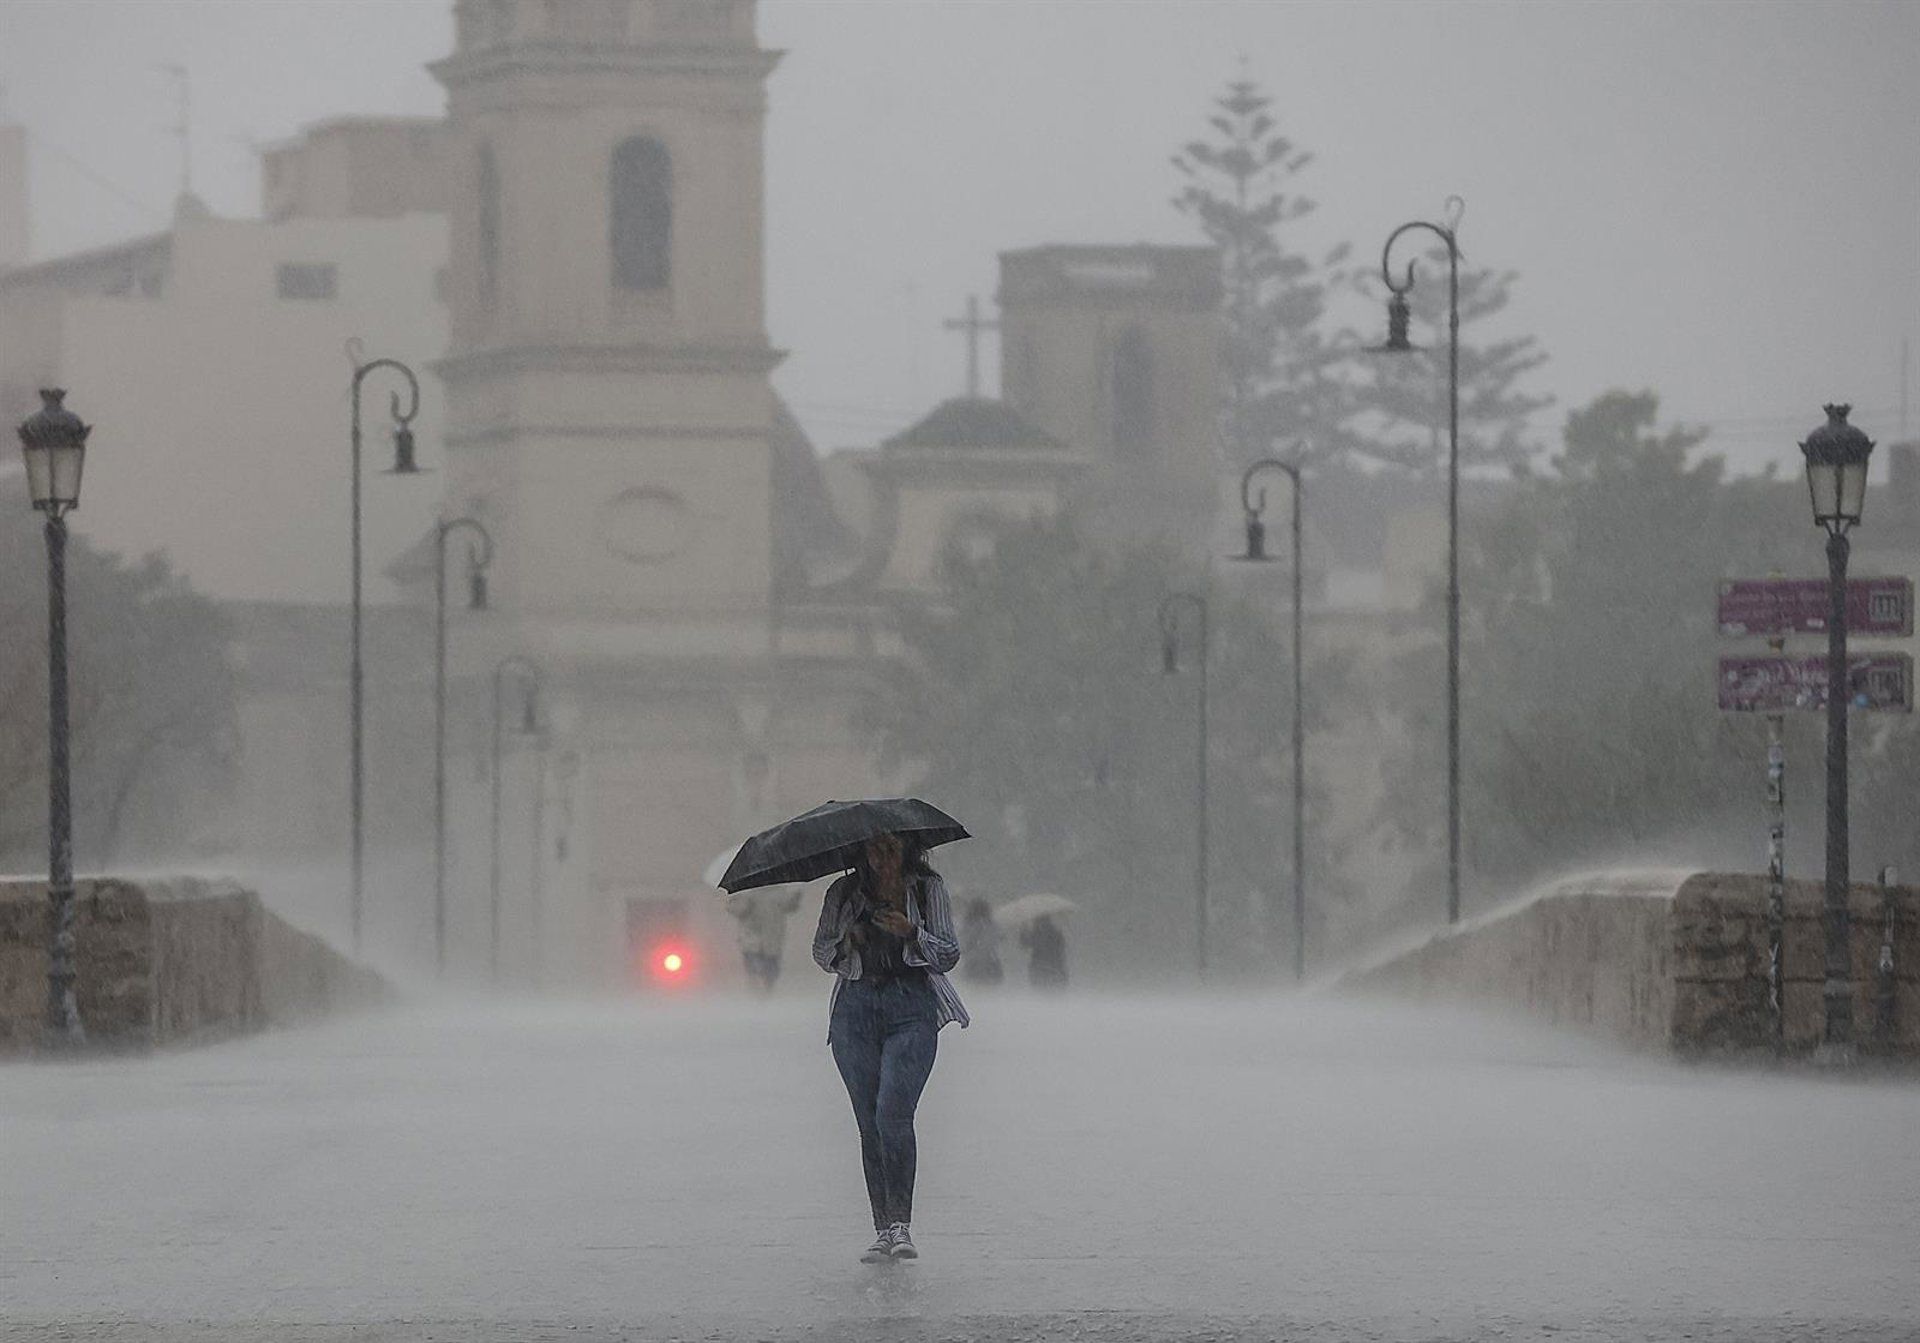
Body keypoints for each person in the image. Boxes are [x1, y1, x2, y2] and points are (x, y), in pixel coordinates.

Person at [812, 832, 967, 1263]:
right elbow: (821, 952)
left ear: (907, 850)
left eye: (891, 849)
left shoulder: (927, 888)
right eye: (874, 849)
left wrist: (911, 932)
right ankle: (882, 1229)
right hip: (855, 1010)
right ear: (861, 851)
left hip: (911, 1007)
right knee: (869, 1123)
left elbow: (949, 953)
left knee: (893, 1113)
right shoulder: (843, 893)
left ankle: (901, 1224)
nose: (882, 858)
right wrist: (848, 941)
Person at [726, 886, 802, 993]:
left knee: (771, 970)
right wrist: (745, 905)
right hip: (751, 940)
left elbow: (790, 906)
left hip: (773, 940)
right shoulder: (745, 891)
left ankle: (767, 991)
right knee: (754, 969)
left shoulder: (778, 891)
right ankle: (755, 991)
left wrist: (796, 897)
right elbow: (733, 908)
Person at [958, 897, 1004, 986]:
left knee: (973, 989)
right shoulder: (992, 925)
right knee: (992, 989)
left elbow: (963, 945)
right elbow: (999, 939)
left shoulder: (968, 926)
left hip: (973, 965)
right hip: (991, 965)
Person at [1022, 913, 1067, 990]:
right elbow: (1062, 948)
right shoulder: (1056, 933)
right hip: (1054, 968)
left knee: (1041, 991)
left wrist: (1024, 929)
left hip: (1040, 969)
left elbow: (1025, 944)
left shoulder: (1037, 934)